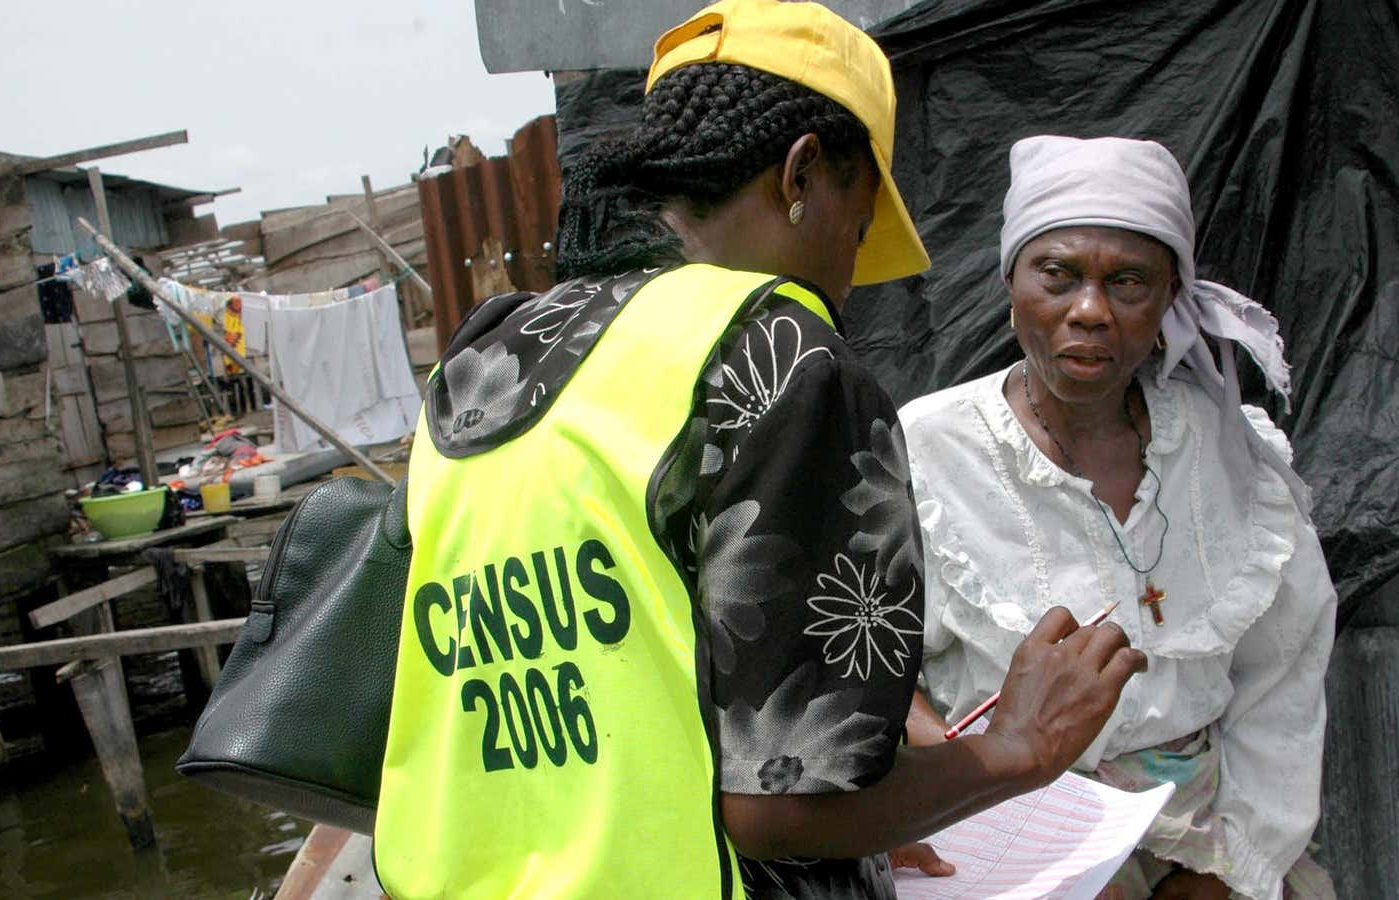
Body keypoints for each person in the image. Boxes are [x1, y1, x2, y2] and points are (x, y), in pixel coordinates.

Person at [372, 4, 1147, 899]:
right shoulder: (779, 356)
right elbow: (779, 814)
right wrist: (1019, 750)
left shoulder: (492, 351)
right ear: (803, 173)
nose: (850, 274)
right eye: (857, 232)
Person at [900, 136, 1338, 900]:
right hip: (1001, 830)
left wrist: (1226, 870)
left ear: (1171, 295)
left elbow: (1286, 674)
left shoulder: (1232, 451)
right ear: (1011, 282)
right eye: (1058, 275)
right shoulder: (928, 451)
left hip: (1207, 836)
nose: (1090, 311)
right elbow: (860, 662)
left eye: (1127, 281)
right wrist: (994, 813)